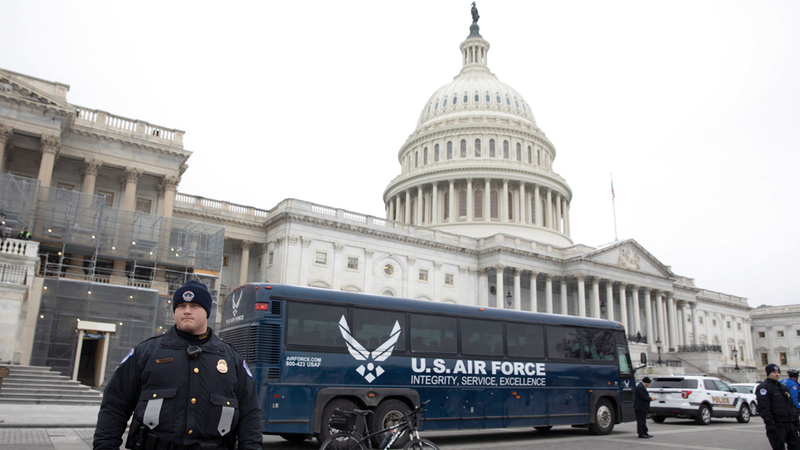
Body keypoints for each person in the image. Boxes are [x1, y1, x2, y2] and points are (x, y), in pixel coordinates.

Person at [93, 280, 262, 450]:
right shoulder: (146, 353)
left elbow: (249, 414)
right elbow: (115, 405)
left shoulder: (232, 359)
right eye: (181, 306)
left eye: (195, 305)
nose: (187, 311)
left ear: (207, 311)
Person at [756, 364, 800, 450]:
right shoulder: (764, 387)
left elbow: (790, 405)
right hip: (777, 424)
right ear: (768, 373)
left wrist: (796, 421)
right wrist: (770, 423)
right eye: (774, 372)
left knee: (796, 446)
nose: (776, 374)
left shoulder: (782, 387)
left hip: (789, 423)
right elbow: (764, 407)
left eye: (778, 372)